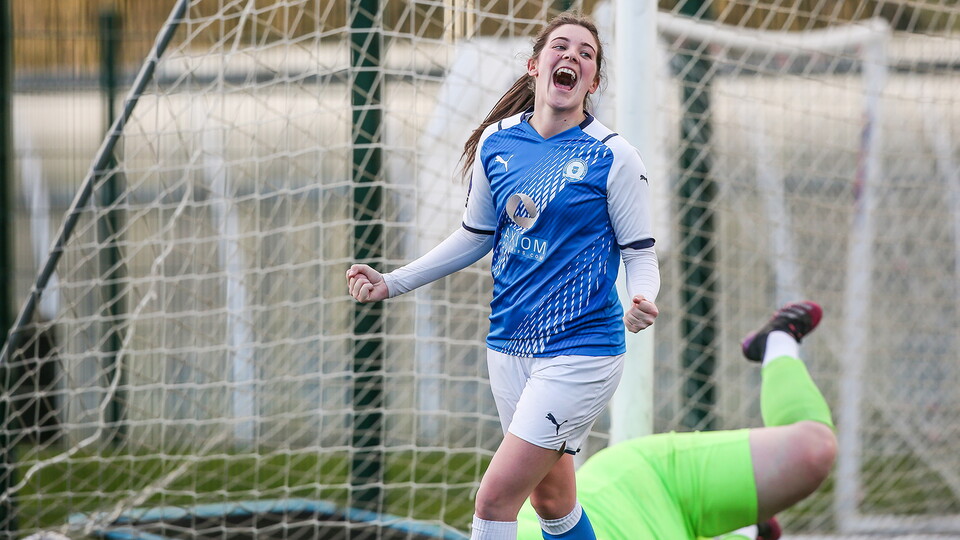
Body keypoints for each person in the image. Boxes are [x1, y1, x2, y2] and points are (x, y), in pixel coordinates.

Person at [346, 11, 660, 540]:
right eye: (561, 47)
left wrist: (643, 297)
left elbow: (640, 254)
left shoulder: (614, 157)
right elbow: (473, 238)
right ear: (536, 66)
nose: (573, 57)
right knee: (553, 501)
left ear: (594, 81)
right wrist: (391, 281)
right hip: (507, 347)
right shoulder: (497, 143)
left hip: (582, 352)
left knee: (494, 500)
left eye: (586, 53)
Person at [514, 301, 837, 540]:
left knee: (812, 450)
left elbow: (550, 497)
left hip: (647, 484)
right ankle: (748, 529)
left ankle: (777, 342)